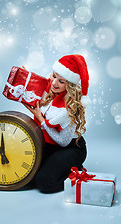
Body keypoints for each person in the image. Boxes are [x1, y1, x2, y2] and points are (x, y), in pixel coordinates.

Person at [24, 54, 90, 193]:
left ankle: (76, 170)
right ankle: (56, 167)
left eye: (61, 81)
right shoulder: (49, 88)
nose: (54, 83)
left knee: (44, 183)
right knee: (27, 178)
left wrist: (41, 120)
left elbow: (63, 142)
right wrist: (26, 80)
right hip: (49, 144)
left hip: (70, 147)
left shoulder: (70, 107)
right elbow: (30, 92)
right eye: (54, 76)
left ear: (70, 85)